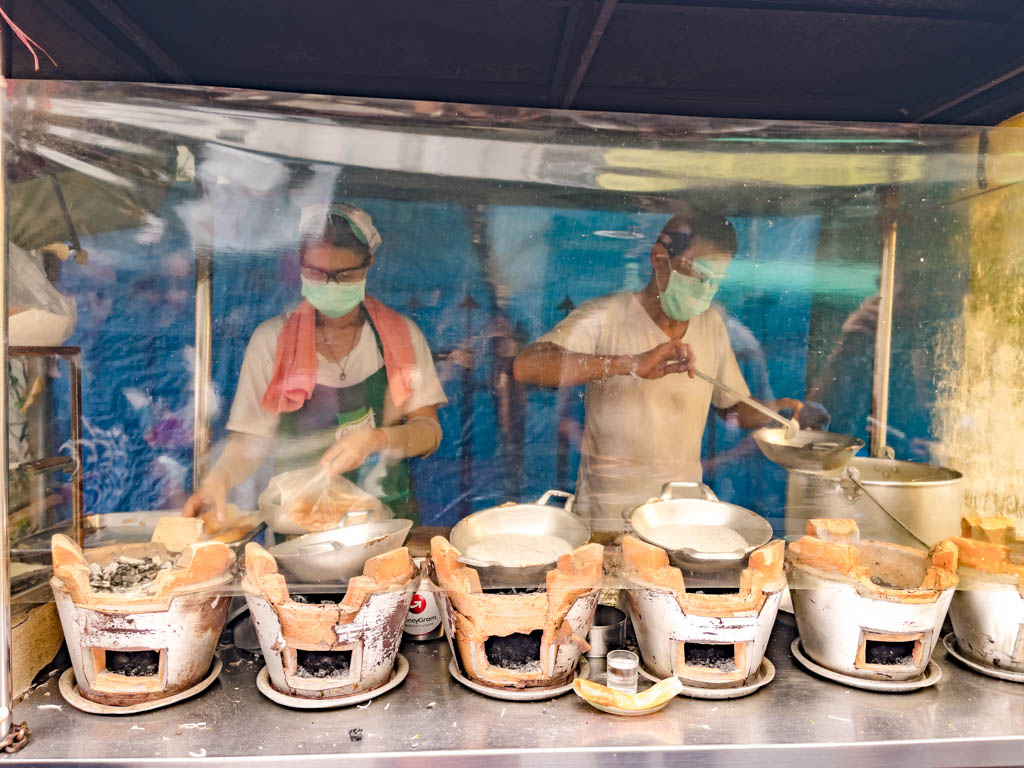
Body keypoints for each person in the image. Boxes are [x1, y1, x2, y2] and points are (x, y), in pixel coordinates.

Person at [513, 205, 802, 530]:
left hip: (681, 517)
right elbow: (528, 366)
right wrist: (630, 363)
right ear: (659, 259)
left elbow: (733, 407)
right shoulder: (606, 316)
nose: (706, 291)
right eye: (699, 276)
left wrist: (779, 414)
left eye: (716, 281)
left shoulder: (711, 325)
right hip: (608, 519)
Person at [184, 203, 447, 523]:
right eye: (317, 273)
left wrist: (377, 439)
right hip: (300, 528)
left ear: (368, 266)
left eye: (345, 275)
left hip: (385, 524)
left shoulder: (401, 337)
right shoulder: (271, 342)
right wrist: (221, 477)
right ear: (300, 265)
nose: (330, 285)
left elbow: (429, 431)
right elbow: (249, 443)